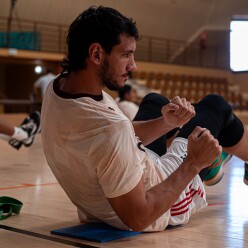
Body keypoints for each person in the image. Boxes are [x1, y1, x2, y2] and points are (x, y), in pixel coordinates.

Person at [41, 6, 248, 232]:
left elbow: (109, 143)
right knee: (215, 106)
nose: (133, 65)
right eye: (126, 54)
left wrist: (166, 124)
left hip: (106, 200)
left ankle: (206, 160)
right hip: (159, 205)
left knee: (154, 101)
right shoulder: (111, 130)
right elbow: (139, 218)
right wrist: (194, 162)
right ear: (97, 54)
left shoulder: (57, 89)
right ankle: (211, 167)